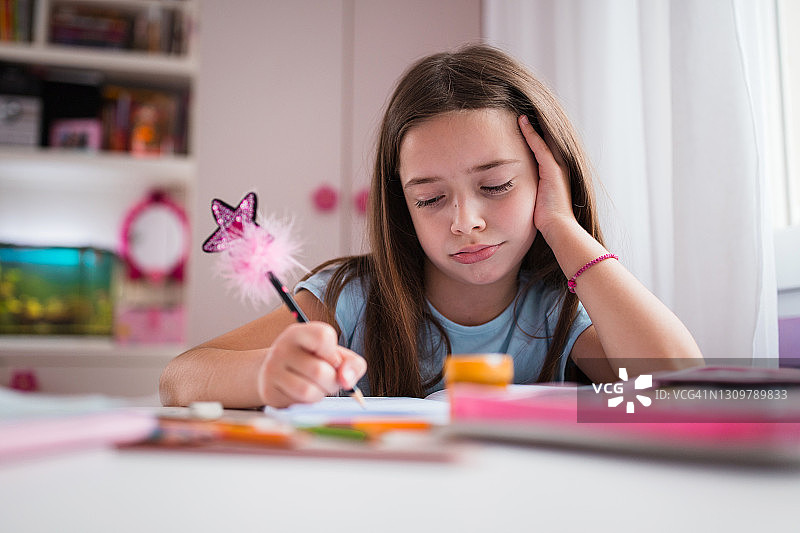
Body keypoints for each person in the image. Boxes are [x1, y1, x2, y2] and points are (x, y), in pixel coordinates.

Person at [159, 44, 703, 409]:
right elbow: (179, 378)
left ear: (546, 177)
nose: (465, 222)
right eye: (431, 198)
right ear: (403, 204)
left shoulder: (560, 306)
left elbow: (681, 388)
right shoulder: (351, 300)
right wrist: (263, 375)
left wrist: (561, 226)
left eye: (496, 187)